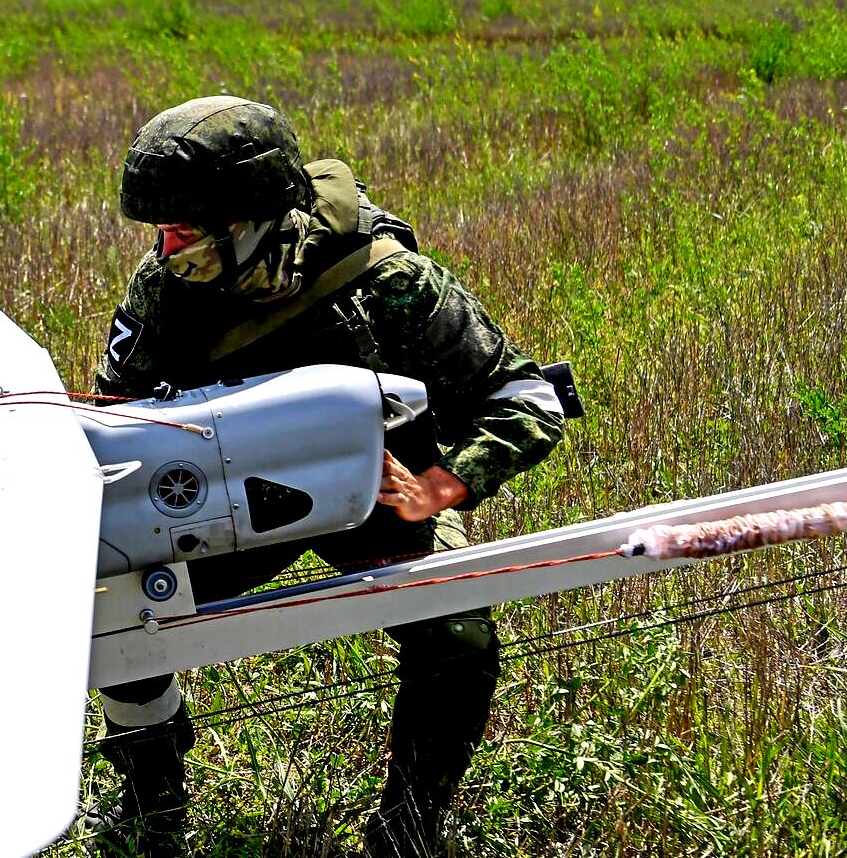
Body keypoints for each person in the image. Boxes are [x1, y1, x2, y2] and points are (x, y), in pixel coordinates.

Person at [91, 96, 565, 856]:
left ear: (250, 221)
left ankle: (407, 831)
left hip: (376, 495)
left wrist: (442, 486)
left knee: (459, 632)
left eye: (187, 232)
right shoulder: (165, 290)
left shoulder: (387, 279)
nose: (166, 248)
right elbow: (114, 432)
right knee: (115, 607)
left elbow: (526, 398)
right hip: (224, 502)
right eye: (161, 230)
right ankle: (152, 804)